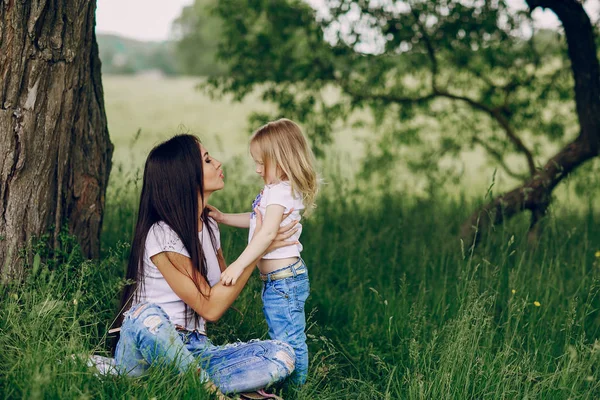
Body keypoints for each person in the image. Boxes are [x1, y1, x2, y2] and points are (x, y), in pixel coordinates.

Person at [111, 134, 300, 397]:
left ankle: (179, 384)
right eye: (208, 160)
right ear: (185, 176)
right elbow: (209, 308)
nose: (218, 163)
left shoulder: (210, 226)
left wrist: (259, 247)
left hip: (195, 351)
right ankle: (209, 391)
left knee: (281, 355)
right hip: (144, 349)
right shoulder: (162, 234)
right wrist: (259, 247)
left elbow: (220, 299)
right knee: (146, 316)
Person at [208, 119, 318, 386]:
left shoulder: (281, 192)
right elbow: (256, 220)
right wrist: (223, 217)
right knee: (282, 334)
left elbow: (267, 234)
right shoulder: (273, 190)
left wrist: (237, 264)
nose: (257, 169)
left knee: (289, 339)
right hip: (278, 280)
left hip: (284, 280)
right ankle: (289, 382)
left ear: (280, 161)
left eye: (261, 163)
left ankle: (297, 387)